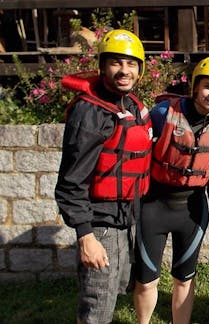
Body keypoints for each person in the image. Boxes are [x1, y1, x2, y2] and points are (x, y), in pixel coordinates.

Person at [55, 29, 152, 324]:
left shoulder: (130, 104)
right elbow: (70, 182)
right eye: (116, 63)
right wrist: (86, 236)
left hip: (127, 218)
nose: (124, 71)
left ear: (140, 69)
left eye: (131, 64)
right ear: (102, 66)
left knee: (116, 290)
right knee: (97, 303)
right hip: (101, 223)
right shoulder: (90, 112)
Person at [132, 56, 209, 324]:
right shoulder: (163, 113)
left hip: (192, 210)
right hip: (154, 205)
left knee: (184, 278)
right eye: (208, 86)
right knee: (146, 280)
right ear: (195, 86)